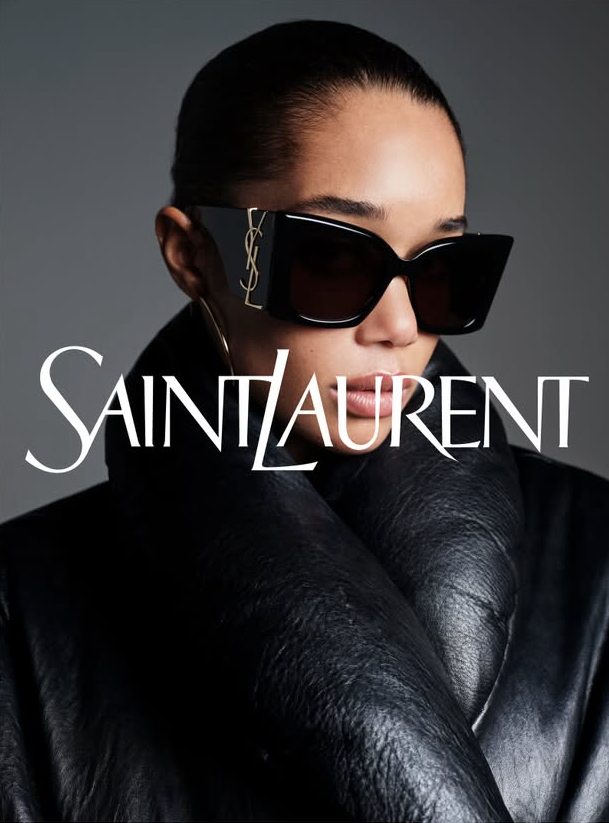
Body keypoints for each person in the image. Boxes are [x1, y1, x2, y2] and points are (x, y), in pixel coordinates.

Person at [1, 19, 608, 823]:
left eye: (441, 266)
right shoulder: (19, 608)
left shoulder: (598, 564)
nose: (398, 325)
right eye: (333, 257)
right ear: (194, 256)